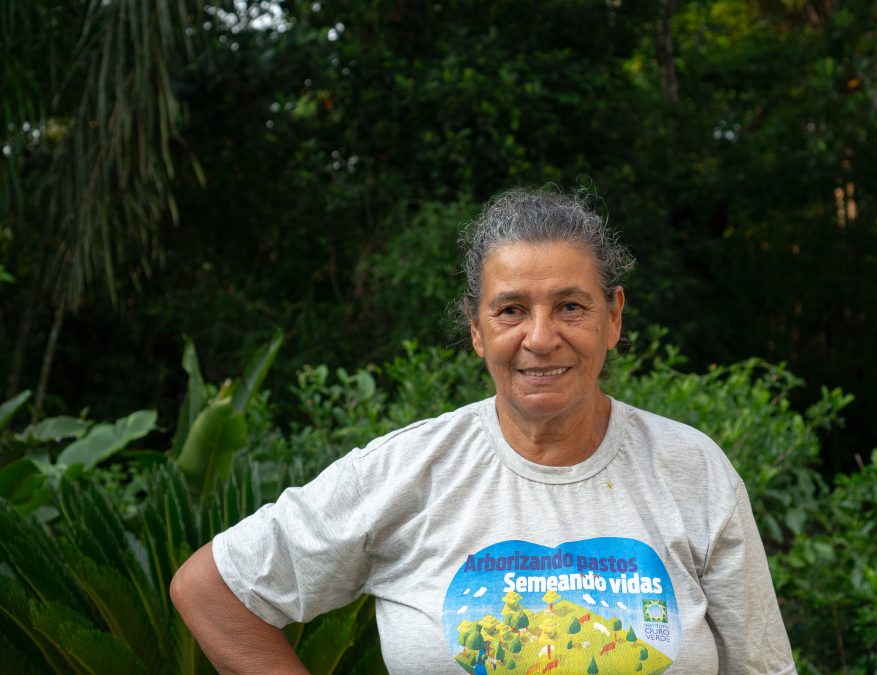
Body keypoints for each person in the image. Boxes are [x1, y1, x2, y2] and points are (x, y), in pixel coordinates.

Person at [171, 188, 796, 674]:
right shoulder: (410, 469)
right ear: (476, 328)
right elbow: (210, 590)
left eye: (571, 306)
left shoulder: (692, 469)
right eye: (511, 310)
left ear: (614, 317)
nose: (541, 337)